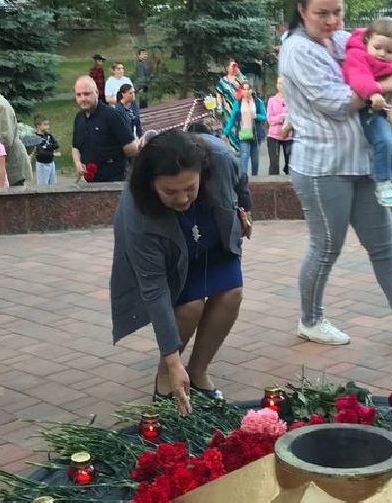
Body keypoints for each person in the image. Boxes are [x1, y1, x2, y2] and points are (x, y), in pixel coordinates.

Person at [278, 0, 392, 346]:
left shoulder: (346, 40)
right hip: (323, 167)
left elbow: (388, 55)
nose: (332, 22)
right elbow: (337, 103)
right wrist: (388, 86)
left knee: (383, 244)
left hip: (364, 162)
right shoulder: (297, 50)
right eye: (322, 14)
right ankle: (310, 320)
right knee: (326, 247)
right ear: (302, 10)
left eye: (338, 12)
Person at [110, 129, 252, 411]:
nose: (183, 199)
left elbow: (241, 181)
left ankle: (198, 372)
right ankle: (167, 378)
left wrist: (245, 210)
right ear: (152, 185)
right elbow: (154, 288)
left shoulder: (218, 157)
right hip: (172, 251)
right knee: (189, 306)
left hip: (212, 235)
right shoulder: (138, 210)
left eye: (190, 188)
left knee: (231, 294)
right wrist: (173, 360)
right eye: (170, 192)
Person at [341, 17, 392, 207]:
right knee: (384, 141)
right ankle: (383, 183)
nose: (382, 54)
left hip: (385, 109)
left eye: (389, 51)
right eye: (378, 48)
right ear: (368, 39)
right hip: (369, 110)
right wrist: (372, 93)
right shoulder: (356, 55)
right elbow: (358, 77)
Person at [71, 75, 137, 182]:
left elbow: (131, 148)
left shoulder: (111, 115)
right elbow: (75, 147)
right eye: (79, 95)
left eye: (87, 94)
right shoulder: (79, 118)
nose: (83, 98)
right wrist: (78, 163)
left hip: (114, 182)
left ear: (96, 93)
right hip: (89, 182)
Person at [223, 80, 264, 176]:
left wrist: (256, 116)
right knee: (244, 155)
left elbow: (265, 116)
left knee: (255, 159)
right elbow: (232, 119)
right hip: (243, 133)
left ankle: (255, 178)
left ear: (251, 90)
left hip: (256, 135)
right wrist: (225, 132)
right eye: (244, 89)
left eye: (248, 89)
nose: (246, 91)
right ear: (241, 91)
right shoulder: (237, 104)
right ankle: (243, 179)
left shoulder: (258, 102)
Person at [265, 76, 292, 175]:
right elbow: (270, 119)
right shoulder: (272, 100)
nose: (280, 86)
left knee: (290, 164)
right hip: (274, 136)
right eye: (279, 83)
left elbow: (294, 116)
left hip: (288, 135)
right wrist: (281, 117)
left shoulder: (291, 100)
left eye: (282, 83)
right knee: (274, 164)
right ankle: (272, 186)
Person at [32, 115, 59, 185]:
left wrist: (46, 147)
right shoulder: (35, 138)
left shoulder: (48, 136)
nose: (48, 127)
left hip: (51, 163)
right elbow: (40, 152)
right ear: (38, 126)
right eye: (45, 124)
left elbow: (56, 145)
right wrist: (52, 153)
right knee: (43, 186)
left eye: (48, 124)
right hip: (42, 165)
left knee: (53, 184)